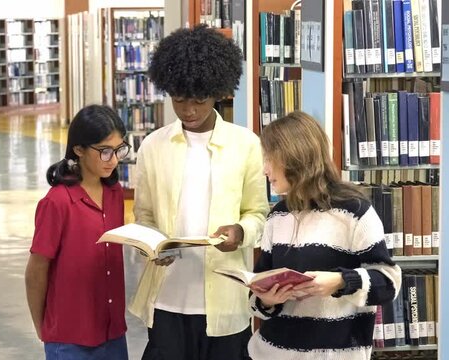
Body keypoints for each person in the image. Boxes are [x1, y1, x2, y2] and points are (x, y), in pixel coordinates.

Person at [129, 24, 269, 360]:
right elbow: (143, 216)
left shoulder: (245, 144)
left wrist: (241, 231)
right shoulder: (153, 146)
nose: (189, 110)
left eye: (199, 100)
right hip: (166, 298)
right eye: (179, 100)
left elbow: (258, 214)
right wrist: (150, 246)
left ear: (218, 92)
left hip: (225, 300)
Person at [248, 111, 402, 359]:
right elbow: (257, 296)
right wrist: (266, 300)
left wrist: (341, 282)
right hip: (270, 352)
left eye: (269, 159)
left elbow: (389, 283)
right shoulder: (277, 216)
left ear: (293, 158)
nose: (265, 169)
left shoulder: (354, 212)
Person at [25, 104, 132, 360]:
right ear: (79, 149)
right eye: (105, 151)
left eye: (119, 150)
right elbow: (37, 269)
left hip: (113, 332)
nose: (114, 160)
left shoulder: (115, 194)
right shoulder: (57, 203)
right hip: (70, 338)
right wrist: (43, 327)